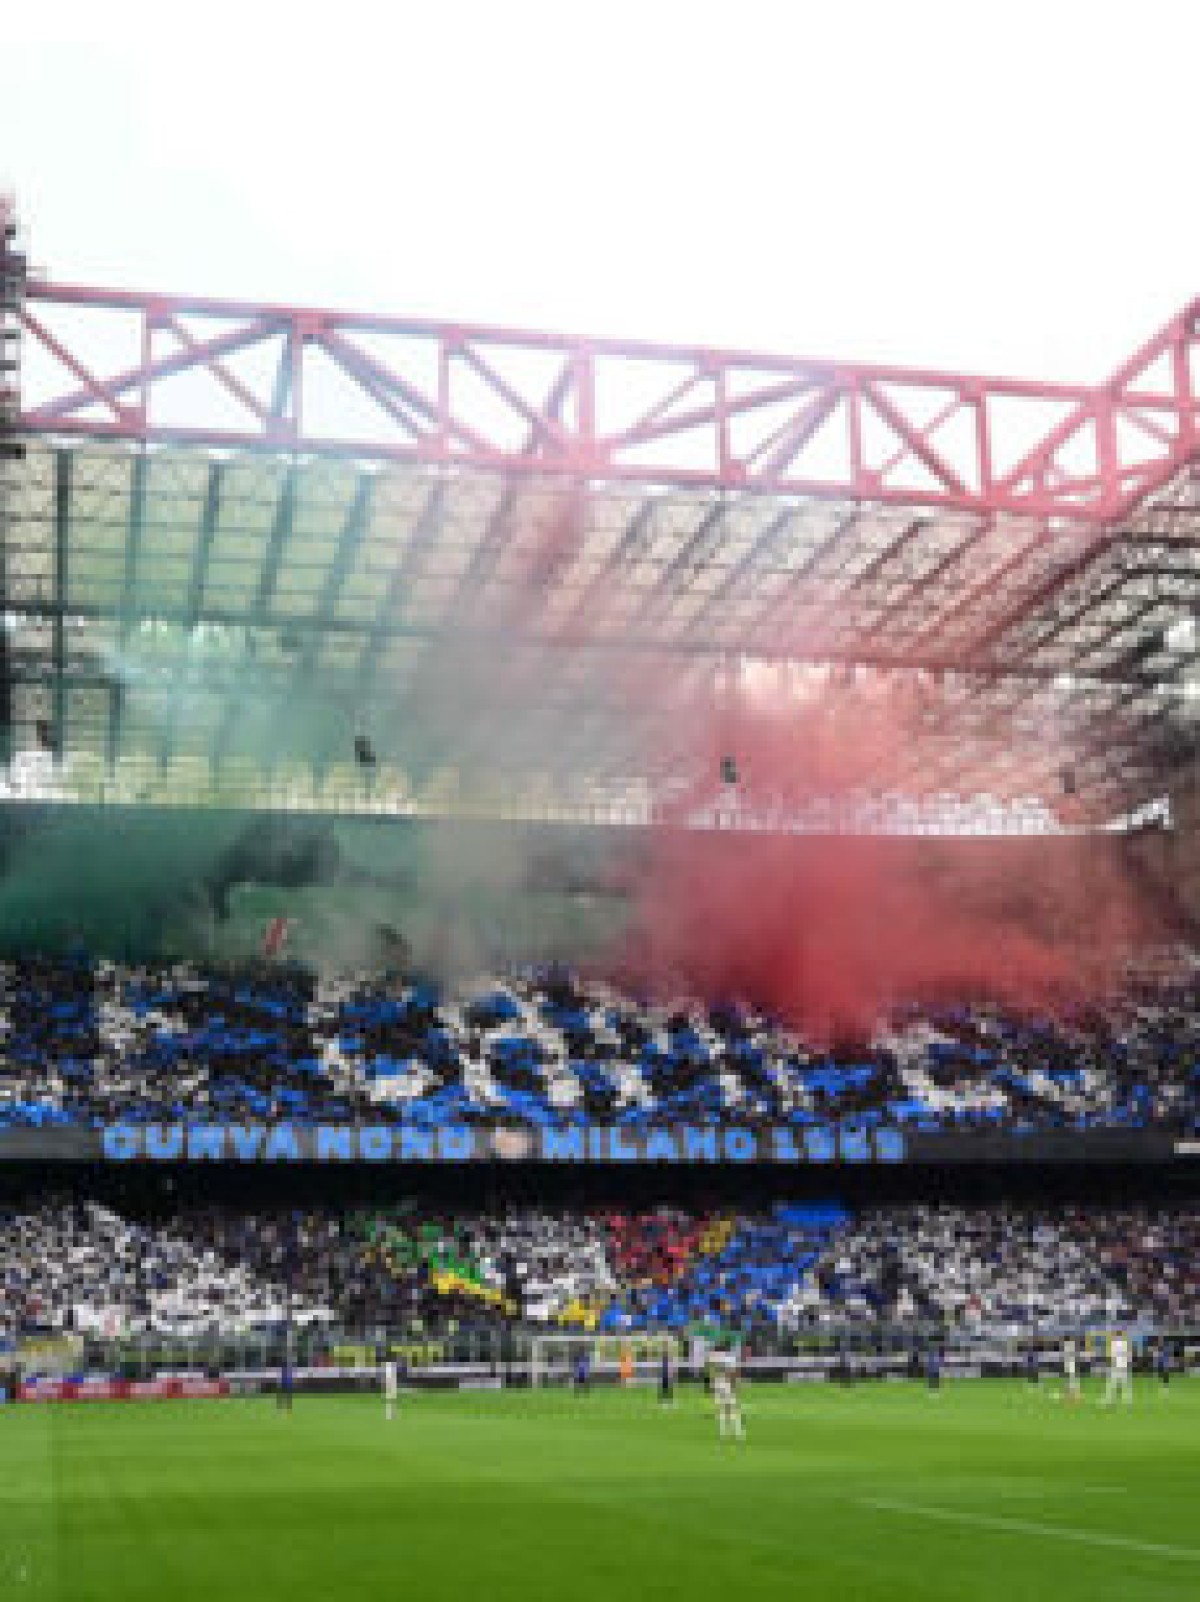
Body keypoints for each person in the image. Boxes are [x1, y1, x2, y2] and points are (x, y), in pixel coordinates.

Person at [709, 1346, 744, 1441]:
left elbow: (713, 1372)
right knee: (732, 1408)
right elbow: (733, 1373)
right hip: (727, 1384)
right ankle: (737, 1432)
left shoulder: (714, 1357)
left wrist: (713, 1386)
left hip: (718, 1383)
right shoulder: (730, 1358)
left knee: (722, 1409)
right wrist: (735, 1385)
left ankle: (723, 1432)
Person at [1101, 1330, 1133, 1407]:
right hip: (1122, 1366)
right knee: (1124, 1384)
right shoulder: (1124, 1343)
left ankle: (1109, 1399)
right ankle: (1126, 1399)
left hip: (1116, 1366)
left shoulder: (1114, 1343)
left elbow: (1111, 1356)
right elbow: (1129, 1356)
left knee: (1112, 1384)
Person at [1062, 1336, 1082, 1403]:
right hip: (1071, 1366)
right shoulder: (1069, 1345)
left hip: (1070, 1366)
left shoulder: (1068, 1346)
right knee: (1072, 1381)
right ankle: (1073, 1395)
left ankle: (1072, 1395)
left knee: (1071, 1381)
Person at [382, 1356, 398, 1422]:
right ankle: (389, 1415)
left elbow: (392, 1378)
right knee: (390, 1402)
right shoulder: (389, 1367)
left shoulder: (391, 1367)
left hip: (392, 1386)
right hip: (390, 1386)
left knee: (392, 1401)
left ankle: (392, 1414)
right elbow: (388, 1378)